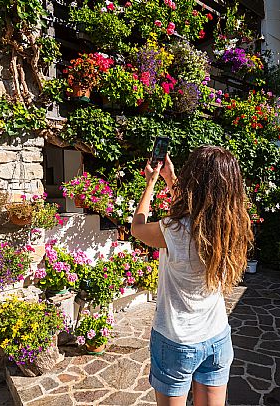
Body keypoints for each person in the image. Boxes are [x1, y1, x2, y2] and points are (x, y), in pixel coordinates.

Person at [131, 146, 253, 406]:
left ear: (193, 180)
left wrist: (151, 183)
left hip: (176, 342)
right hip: (217, 338)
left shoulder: (174, 231)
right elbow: (196, 213)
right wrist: (169, 178)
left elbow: (137, 228)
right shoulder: (233, 227)